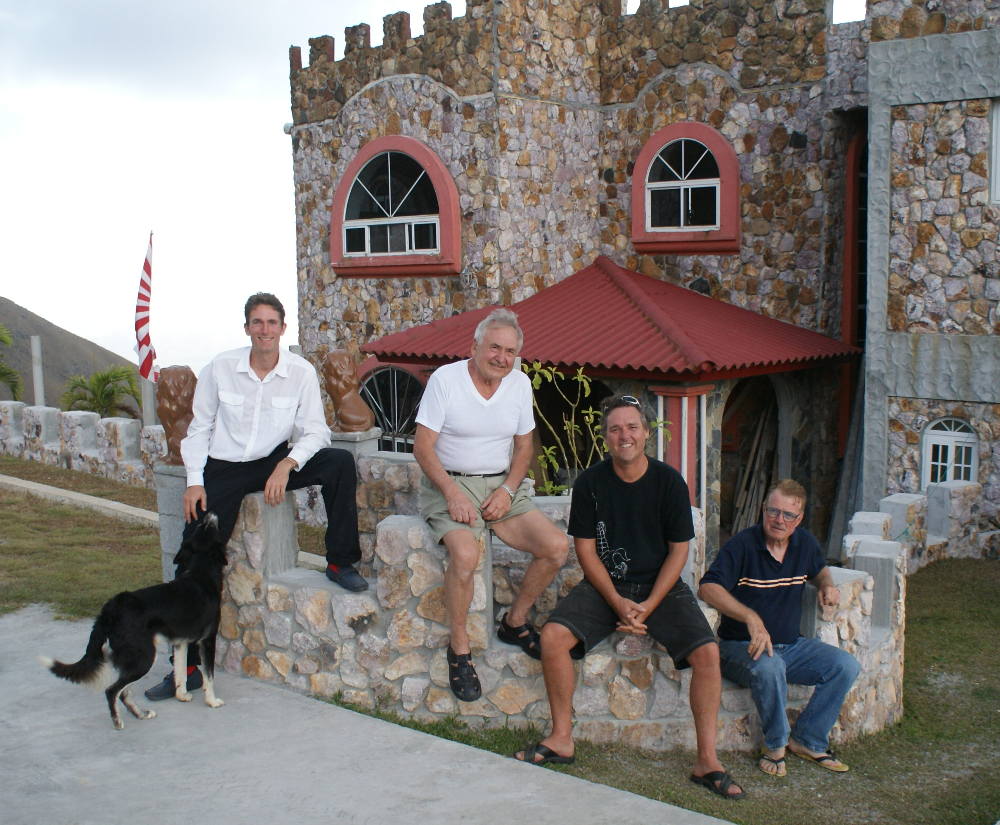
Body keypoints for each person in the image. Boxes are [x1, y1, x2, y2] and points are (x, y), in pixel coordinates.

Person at [515, 394, 745, 801]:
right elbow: (586, 550)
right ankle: (562, 738)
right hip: (607, 586)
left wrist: (650, 604)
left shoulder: (669, 482)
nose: (625, 435)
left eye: (632, 427)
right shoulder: (590, 483)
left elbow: (679, 551)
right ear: (605, 438)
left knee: (707, 654)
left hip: (662, 586)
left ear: (646, 434)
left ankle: (707, 760)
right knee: (552, 637)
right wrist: (618, 602)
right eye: (616, 428)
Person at [145, 293, 366, 701]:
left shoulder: (300, 372)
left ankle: (340, 560)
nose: (265, 330)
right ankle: (187, 669)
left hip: (273, 460)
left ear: (283, 328)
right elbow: (199, 428)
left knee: (337, 463)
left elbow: (315, 431)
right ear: (247, 328)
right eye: (257, 322)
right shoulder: (220, 368)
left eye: (272, 322)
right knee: (195, 558)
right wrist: (195, 481)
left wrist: (288, 465)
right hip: (224, 469)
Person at [413, 308, 569, 702]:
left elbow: (524, 446)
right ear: (475, 346)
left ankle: (514, 622)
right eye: (495, 347)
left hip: (502, 485)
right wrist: (452, 493)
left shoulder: (518, 384)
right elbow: (422, 447)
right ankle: (460, 649)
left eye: (510, 351)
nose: (501, 357)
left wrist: (507, 490)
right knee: (465, 554)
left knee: (556, 547)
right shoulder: (446, 381)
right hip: (450, 481)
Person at [699, 479, 861, 777]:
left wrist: (826, 585)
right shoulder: (742, 545)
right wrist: (750, 617)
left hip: (792, 646)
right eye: (773, 511)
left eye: (788, 515)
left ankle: (808, 740)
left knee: (845, 665)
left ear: (799, 519)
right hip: (739, 648)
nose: (779, 520)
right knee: (770, 667)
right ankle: (775, 746)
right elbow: (708, 588)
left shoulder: (804, 544)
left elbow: (820, 569)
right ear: (763, 510)